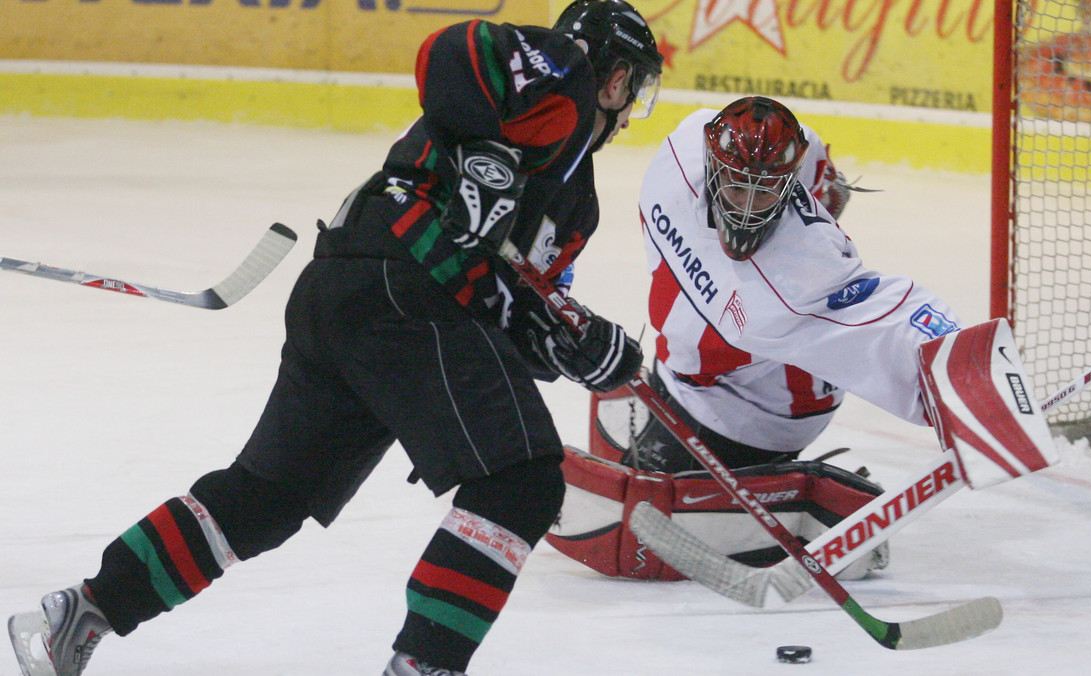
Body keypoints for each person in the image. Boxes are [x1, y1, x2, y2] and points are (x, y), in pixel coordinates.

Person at [6, 2, 663, 675]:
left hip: (359, 299)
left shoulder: (574, 202)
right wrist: (490, 155)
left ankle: (83, 612)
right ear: (614, 75)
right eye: (634, 87)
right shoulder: (559, 76)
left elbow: (512, 305)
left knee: (265, 501)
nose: (628, 108)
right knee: (520, 481)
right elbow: (449, 52)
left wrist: (570, 343)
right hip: (398, 283)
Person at [545, 96, 958, 581]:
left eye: (765, 191)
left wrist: (963, 376)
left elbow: (888, 316)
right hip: (684, 378)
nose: (746, 204)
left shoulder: (805, 265)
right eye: (736, 185)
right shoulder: (681, 154)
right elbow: (789, 144)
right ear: (711, 164)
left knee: (637, 527)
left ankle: (810, 503)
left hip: (763, 411)